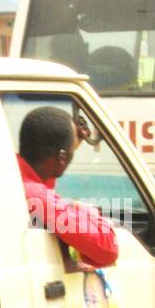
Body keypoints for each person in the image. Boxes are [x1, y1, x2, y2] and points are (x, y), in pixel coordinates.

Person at [17, 105, 118, 269]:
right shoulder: (38, 196)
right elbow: (107, 249)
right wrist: (85, 209)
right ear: (62, 158)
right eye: (72, 151)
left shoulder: (14, 177)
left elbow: (45, 179)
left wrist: (65, 151)